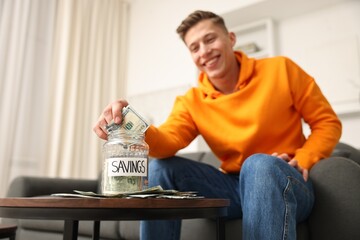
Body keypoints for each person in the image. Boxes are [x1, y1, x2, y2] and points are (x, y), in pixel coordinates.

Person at [93, 10, 342, 240]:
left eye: (210, 39)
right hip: (231, 189)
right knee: (161, 168)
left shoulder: (281, 70)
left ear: (231, 38)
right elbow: (167, 141)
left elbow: (327, 122)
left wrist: (305, 157)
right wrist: (131, 125)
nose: (204, 51)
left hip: (283, 180)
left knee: (258, 164)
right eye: (195, 47)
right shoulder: (191, 101)